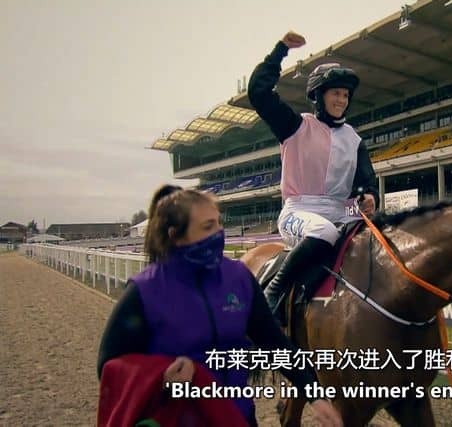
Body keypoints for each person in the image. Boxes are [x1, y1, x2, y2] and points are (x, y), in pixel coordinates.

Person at [97, 184, 343, 427]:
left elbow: (273, 341)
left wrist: (314, 394)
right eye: (207, 227)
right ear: (175, 235)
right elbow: (109, 365)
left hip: (238, 417)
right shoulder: (144, 291)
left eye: (218, 223)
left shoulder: (239, 278)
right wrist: (161, 376)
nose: (218, 233)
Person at [247, 31, 379, 325]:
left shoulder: (355, 140)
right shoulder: (295, 126)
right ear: (319, 96)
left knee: (382, 235)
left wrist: (369, 197)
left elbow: (367, 183)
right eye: (336, 93)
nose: (342, 100)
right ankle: (273, 292)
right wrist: (280, 50)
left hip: (344, 210)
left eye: (345, 95)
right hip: (300, 210)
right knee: (324, 231)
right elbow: (258, 93)